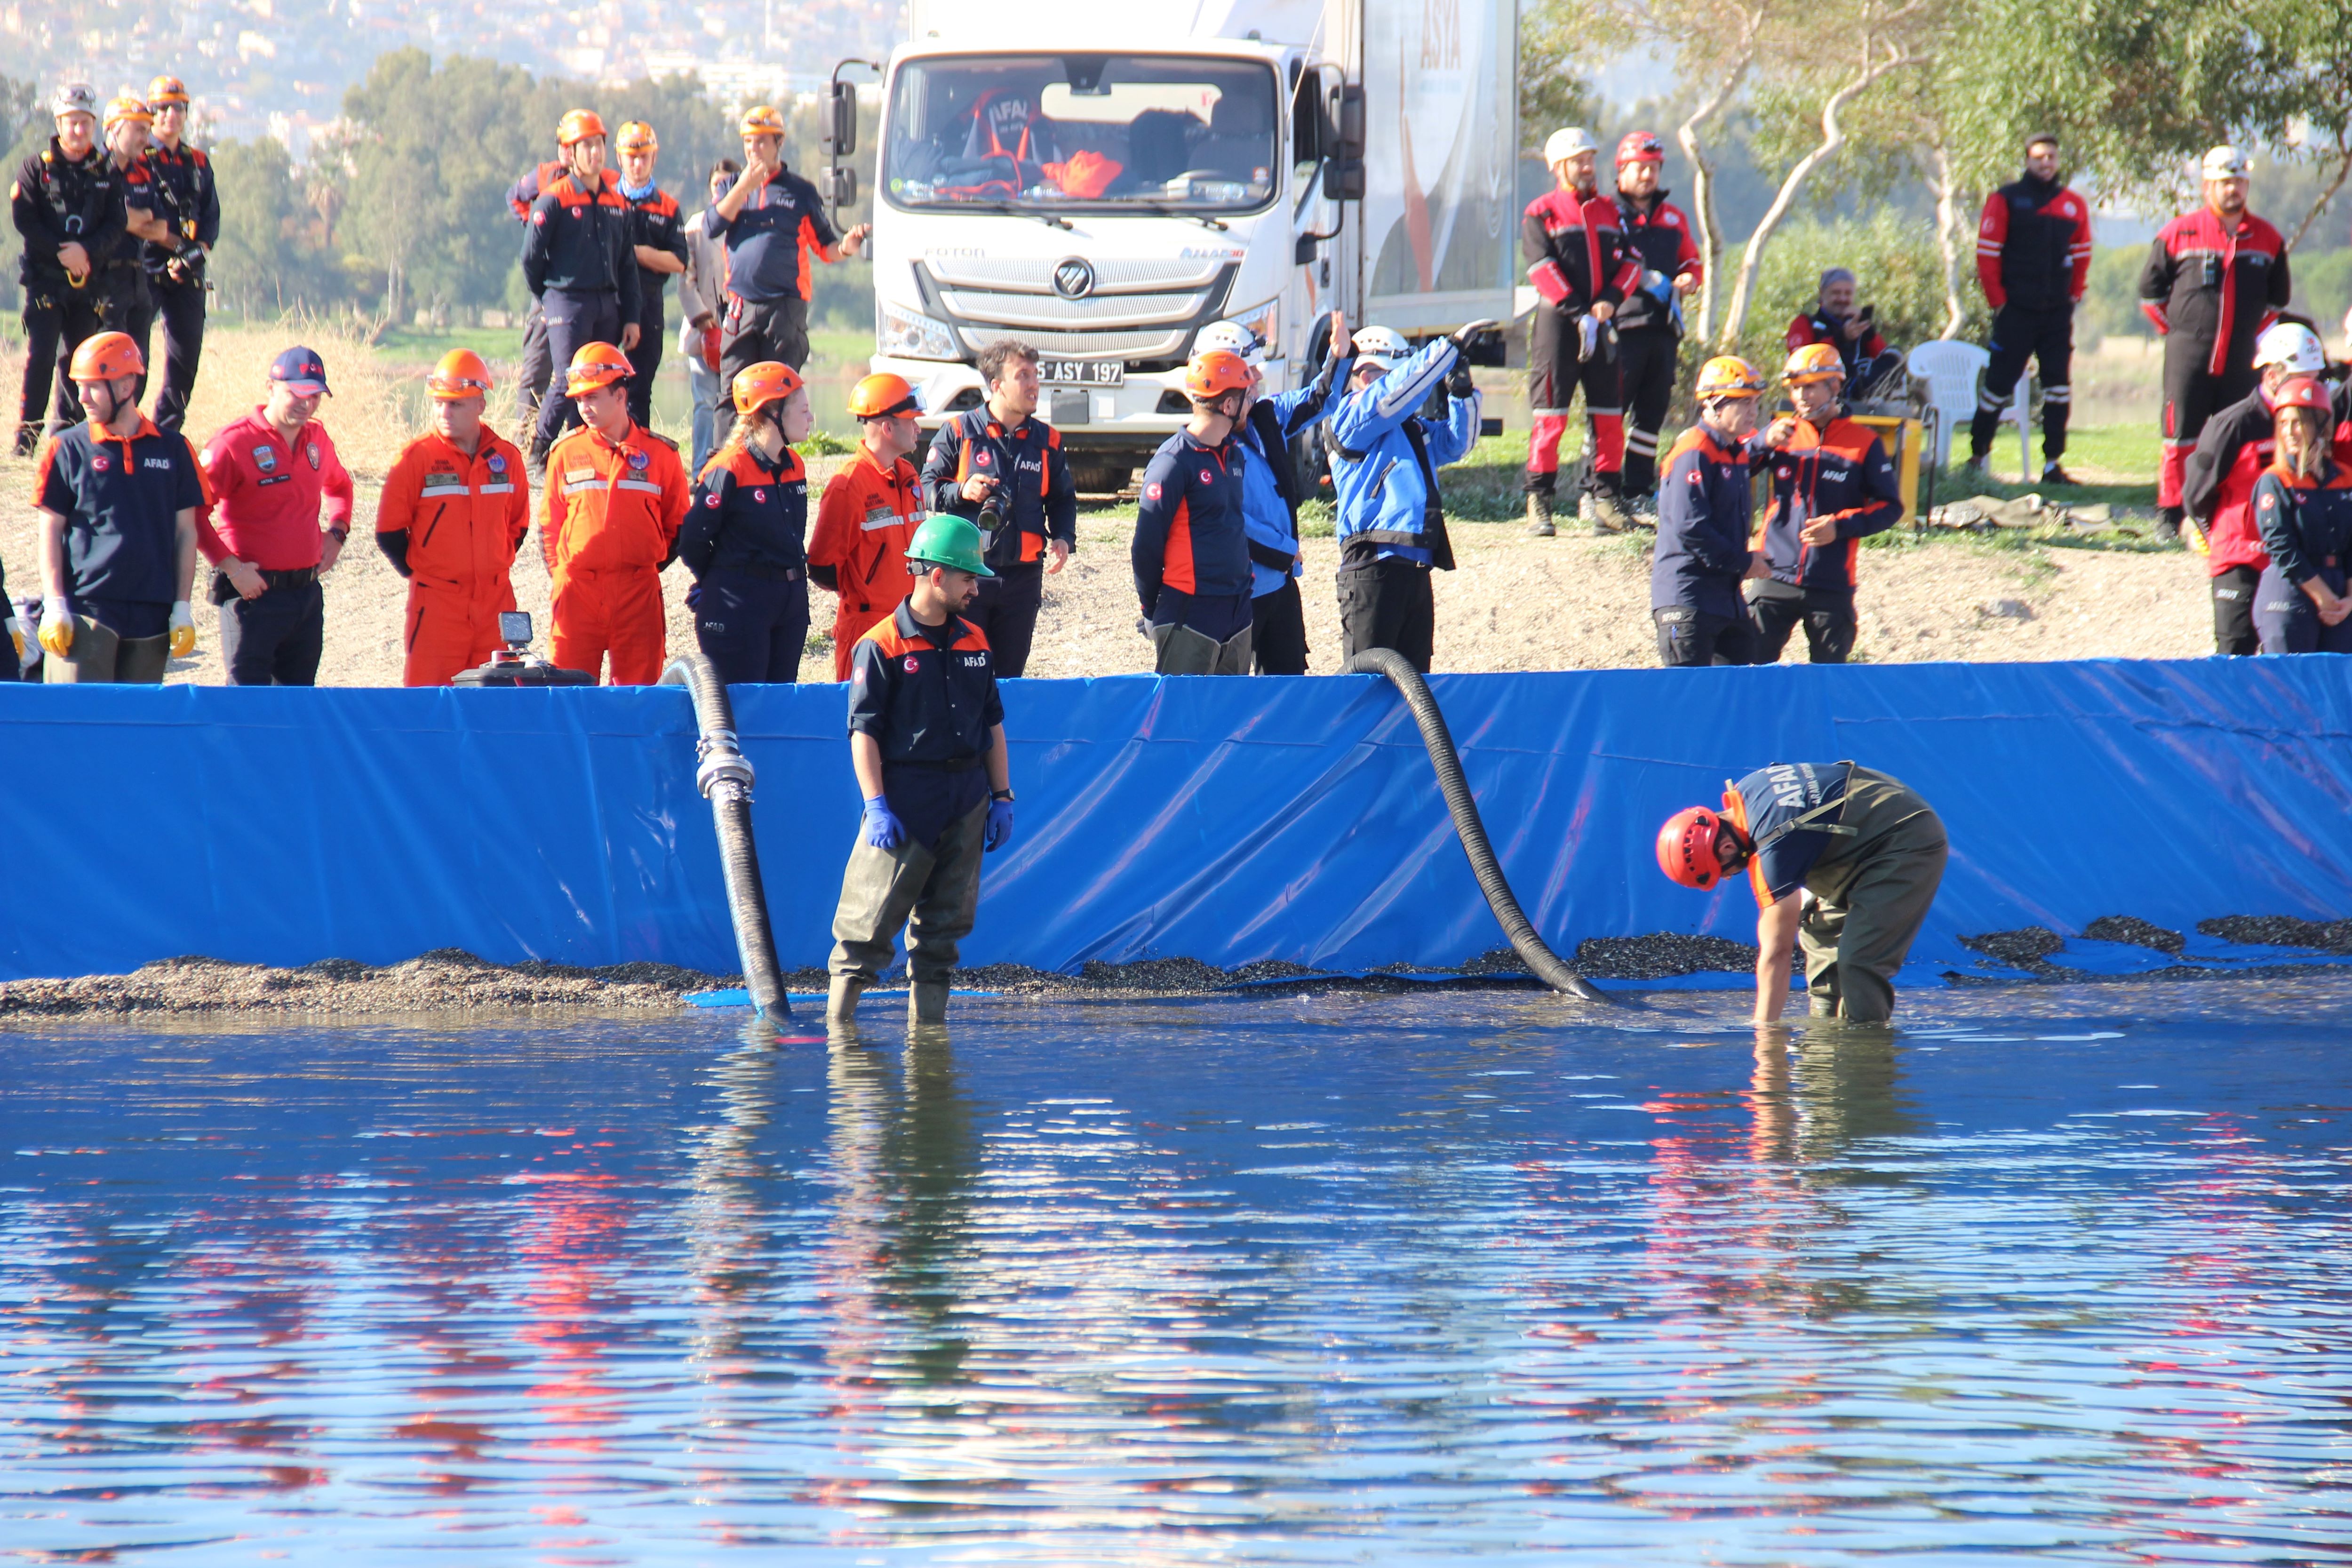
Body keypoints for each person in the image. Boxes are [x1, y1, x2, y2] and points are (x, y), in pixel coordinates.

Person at [826, 513, 1015, 1035]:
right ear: (936, 577)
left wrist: (1001, 795)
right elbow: (862, 732)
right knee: (865, 931)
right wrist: (875, 805)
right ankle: (840, 1044)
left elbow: (992, 722)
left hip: (967, 797)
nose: (975, 588)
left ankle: (929, 1045)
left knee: (944, 932)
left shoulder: (975, 640)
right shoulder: (881, 644)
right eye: (967, 577)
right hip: (907, 798)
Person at [1656, 761, 1948, 1024]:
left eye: (1726, 872)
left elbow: (1777, 953)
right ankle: (1824, 1033)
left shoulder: (1773, 842)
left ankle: (1864, 1054)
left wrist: (1765, 1035)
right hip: (1864, 829)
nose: (1732, 876)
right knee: (1816, 929)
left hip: (1906, 839)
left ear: (1727, 849)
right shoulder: (1749, 792)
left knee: (1859, 962)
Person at [32, 332, 202, 683]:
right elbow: (49, 530)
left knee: (135, 732)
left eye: (94, 386)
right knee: (76, 727)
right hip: (86, 611)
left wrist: (182, 607)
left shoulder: (174, 450)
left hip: (152, 616)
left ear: (126, 387)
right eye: (79, 386)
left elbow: (186, 532)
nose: (82, 398)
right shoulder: (66, 448)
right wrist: (55, 604)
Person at [2140, 145, 2291, 536]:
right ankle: (2169, 516)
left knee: (2241, 436)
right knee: (2179, 437)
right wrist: (2179, 333)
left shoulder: (2267, 238)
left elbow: (2277, 301)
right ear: (2208, 185)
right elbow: (2149, 296)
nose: (2233, 190)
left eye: (2239, 182)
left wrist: (2252, 338)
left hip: (2241, 358)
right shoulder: (2178, 232)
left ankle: (2232, 514)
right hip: (2187, 355)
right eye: (2225, 182)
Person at [1327, 322, 1487, 673]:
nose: (1412, 391)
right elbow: (1392, 396)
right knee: (1365, 690)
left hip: (1414, 568)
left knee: (1414, 689)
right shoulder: (1350, 416)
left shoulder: (1412, 429)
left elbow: (1459, 442)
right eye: (1396, 376)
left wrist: (1461, 390)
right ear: (1368, 375)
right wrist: (1447, 349)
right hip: (1372, 566)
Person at [194, 346, 355, 687]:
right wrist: (232, 569)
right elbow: (193, 514)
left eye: (315, 395)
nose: (306, 403)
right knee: (247, 708)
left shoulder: (318, 438)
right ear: (271, 387)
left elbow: (340, 487)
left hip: (306, 597)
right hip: (254, 596)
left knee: (297, 709)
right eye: (296, 392)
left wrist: (337, 532)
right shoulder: (233, 444)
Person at [1203, 311, 1353, 675]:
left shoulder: (1265, 417)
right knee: (1232, 692)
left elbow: (1318, 400)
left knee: (1289, 683)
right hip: (1237, 595)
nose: (1257, 379)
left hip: (1280, 586)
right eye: (1248, 372)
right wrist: (1285, 551)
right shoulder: (1202, 448)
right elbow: (1231, 524)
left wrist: (1338, 357)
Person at [918, 337, 1076, 676]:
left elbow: (1062, 498)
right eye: (1023, 376)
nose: (1034, 384)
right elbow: (926, 488)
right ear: (996, 386)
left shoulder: (1048, 441)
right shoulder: (960, 431)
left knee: (1008, 680)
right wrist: (962, 491)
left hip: (1023, 580)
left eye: (1036, 375)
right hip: (968, 575)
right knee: (963, 674)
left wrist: (1063, 536)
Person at [375, 350, 531, 686]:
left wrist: (488, 564)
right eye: (439, 403)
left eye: (456, 404)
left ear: (481, 405)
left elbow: (518, 526)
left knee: (496, 705)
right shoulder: (416, 458)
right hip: (437, 606)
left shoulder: (507, 458)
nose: (445, 412)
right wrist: (429, 573)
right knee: (430, 708)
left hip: (496, 603)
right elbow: (388, 532)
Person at [537, 342, 689, 685]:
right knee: (570, 696)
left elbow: (677, 524)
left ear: (620, 396)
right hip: (578, 592)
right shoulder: (565, 453)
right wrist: (565, 577)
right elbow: (550, 525)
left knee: (638, 701)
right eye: (579, 399)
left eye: (592, 397)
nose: (584, 407)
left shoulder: (660, 454)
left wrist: (643, 563)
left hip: (637, 592)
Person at [2182, 322, 2336, 656]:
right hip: (2241, 559)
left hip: (2292, 562)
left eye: (2315, 380)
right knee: (2234, 653)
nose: (2311, 389)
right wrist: (2219, 539)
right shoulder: (2233, 425)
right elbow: (2196, 493)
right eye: (2302, 380)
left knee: (2287, 654)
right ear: (2271, 375)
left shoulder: (2316, 422)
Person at [1748, 343, 1903, 664]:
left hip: (1831, 582)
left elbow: (1891, 507)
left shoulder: (1865, 442)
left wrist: (1841, 526)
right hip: (1772, 575)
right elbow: (1730, 469)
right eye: (1795, 389)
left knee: (1829, 681)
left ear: (1834, 386)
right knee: (1749, 670)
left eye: (1810, 387)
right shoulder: (1779, 434)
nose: (1801, 396)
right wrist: (1760, 442)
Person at [1521, 127, 1639, 535]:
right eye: (1579, 160)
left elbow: (1632, 262)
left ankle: (1605, 499)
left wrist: (1608, 300)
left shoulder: (1610, 210)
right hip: (1558, 324)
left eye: (1591, 159)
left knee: (1608, 416)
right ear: (1559, 166)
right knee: (1551, 416)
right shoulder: (1541, 212)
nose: (1588, 167)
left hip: (1603, 321)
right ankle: (1540, 502)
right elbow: (1540, 268)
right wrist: (1577, 311)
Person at [706, 104, 870, 382]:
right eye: (748, 141)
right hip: (740, 305)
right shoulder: (730, 186)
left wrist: (846, 247)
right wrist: (744, 187)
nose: (753, 149)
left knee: (779, 392)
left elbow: (826, 248)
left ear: (778, 143)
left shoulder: (800, 191)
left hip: (784, 309)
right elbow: (713, 225)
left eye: (761, 141)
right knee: (733, 391)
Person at [1969, 133, 2093, 486]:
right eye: (2038, 157)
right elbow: (1987, 255)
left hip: (2056, 314)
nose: (2045, 163)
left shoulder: (2072, 204)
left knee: (2058, 388)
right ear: (2027, 160)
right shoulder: (2005, 199)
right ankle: (1977, 457)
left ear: (2058, 160)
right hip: (2016, 312)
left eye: (2051, 157)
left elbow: (2083, 253)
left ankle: (2053, 465)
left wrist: (2073, 295)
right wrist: (1999, 303)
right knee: (1997, 386)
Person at [678, 362, 814, 684]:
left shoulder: (795, 465)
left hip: (789, 604)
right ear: (771, 413)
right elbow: (692, 541)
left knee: (779, 711)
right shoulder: (728, 469)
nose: (811, 418)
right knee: (742, 710)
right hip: (739, 606)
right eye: (804, 410)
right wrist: (719, 581)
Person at [522, 110, 641, 463]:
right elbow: (531, 258)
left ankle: (584, 454)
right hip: (566, 301)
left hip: (607, 305)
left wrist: (632, 317)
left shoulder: (617, 201)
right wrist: (547, 297)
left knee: (598, 382)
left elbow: (628, 265)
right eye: (585, 146)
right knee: (568, 379)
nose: (594, 153)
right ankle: (538, 453)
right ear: (570, 153)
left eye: (598, 144)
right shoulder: (553, 199)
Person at [14, 83, 124, 455]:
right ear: (59, 122)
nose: (79, 130)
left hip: (90, 282)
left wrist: (86, 252)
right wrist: (64, 253)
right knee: (41, 356)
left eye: (85, 123)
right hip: (47, 279)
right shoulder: (36, 167)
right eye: (72, 122)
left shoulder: (107, 169)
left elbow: (116, 223)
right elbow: (25, 219)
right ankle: (26, 439)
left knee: (79, 361)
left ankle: (70, 436)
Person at [1133, 348, 1257, 675]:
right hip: (1191, 611)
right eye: (1247, 397)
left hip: (1237, 610)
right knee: (1181, 722)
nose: (1251, 404)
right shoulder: (1173, 462)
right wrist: (1150, 608)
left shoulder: (1233, 454)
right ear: (1228, 405)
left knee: (1231, 721)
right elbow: (1146, 544)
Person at [1652, 356, 1771, 666]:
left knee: (1740, 697)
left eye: (1755, 402)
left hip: (1726, 600)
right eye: (1743, 403)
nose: (1753, 411)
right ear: (1713, 404)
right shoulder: (1694, 450)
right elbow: (1690, 526)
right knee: (1690, 704)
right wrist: (1744, 562)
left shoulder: (1733, 453)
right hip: (1688, 599)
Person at [809, 372, 926, 679]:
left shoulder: (909, 476)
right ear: (888, 427)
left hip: (912, 621)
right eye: (911, 420)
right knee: (864, 719)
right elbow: (822, 567)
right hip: (867, 627)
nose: (918, 428)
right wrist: (867, 588)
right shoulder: (848, 485)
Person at [1609, 131, 1703, 503]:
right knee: (1609, 411)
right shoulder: (1607, 211)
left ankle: (1636, 491)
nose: (1647, 177)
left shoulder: (1672, 216)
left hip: (1664, 329)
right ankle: (1595, 490)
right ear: (1621, 170)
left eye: (1653, 169)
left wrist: (1688, 279)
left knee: (1650, 416)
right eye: (1639, 169)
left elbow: (1692, 262)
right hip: (1619, 326)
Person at [138, 76, 219, 434]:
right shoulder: (136, 158)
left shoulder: (198, 162)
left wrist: (194, 254)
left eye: (179, 108)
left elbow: (210, 217)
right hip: (144, 267)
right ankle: (123, 427)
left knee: (186, 357)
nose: (171, 115)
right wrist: (171, 246)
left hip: (187, 272)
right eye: (163, 108)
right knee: (133, 354)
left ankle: (167, 431)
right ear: (150, 113)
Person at [2249, 377, 2352, 655]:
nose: (2289, 432)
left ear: (2321, 424)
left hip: (2341, 592)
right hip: (2292, 590)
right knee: (2289, 687)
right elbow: (2281, 546)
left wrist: (2349, 598)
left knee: (2339, 689)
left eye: (2298, 423)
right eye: (2283, 423)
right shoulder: (2275, 481)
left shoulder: (2345, 478)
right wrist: (2322, 596)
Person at [615, 121, 687, 431]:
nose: (638, 163)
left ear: (654, 158)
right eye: (631, 157)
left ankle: (638, 451)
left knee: (640, 384)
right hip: (609, 298)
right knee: (598, 381)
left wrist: (636, 253)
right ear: (619, 158)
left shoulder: (668, 207)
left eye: (644, 156)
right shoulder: (605, 199)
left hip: (649, 301)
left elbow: (679, 261)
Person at [96, 98, 162, 397]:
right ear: (113, 130)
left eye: (148, 130)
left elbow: (160, 227)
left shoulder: (146, 172)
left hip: (139, 277)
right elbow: (103, 219)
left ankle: (130, 432)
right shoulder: (94, 172)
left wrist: (124, 218)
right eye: (138, 129)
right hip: (105, 279)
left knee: (138, 365)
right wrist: (130, 218)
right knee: (106, 365)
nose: (145, 138)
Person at [678, 158, 739, 477]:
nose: (722, 189)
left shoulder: (747, 224)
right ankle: (701, 468)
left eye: (730, 183)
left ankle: (731, 467)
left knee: (737, 402)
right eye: (718, 184)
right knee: (705, 402)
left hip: (740, 327)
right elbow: (685, 279)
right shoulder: (696, 226)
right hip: (704, 328)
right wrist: (703, 319)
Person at [506, 133, 570, 435]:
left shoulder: (599, 184)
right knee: (536, 368)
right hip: (548, 287)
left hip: (583, 289)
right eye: (566, 147)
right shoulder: (546, 174)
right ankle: (524, 439)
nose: (571, 153)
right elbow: (514, 197)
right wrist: (534, 223)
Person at [1786, 270, 1903, 403]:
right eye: (1836, 293)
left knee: (1895, 354)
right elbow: (1801, 361)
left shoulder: (1857, 324)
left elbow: (1883, 357)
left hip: (1862, 392)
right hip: (1819, 393)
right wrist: (1840, 338)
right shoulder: (1805, 323)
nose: (1842, 299)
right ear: (1822, 294)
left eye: (1848, 294)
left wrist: (1867, 330)